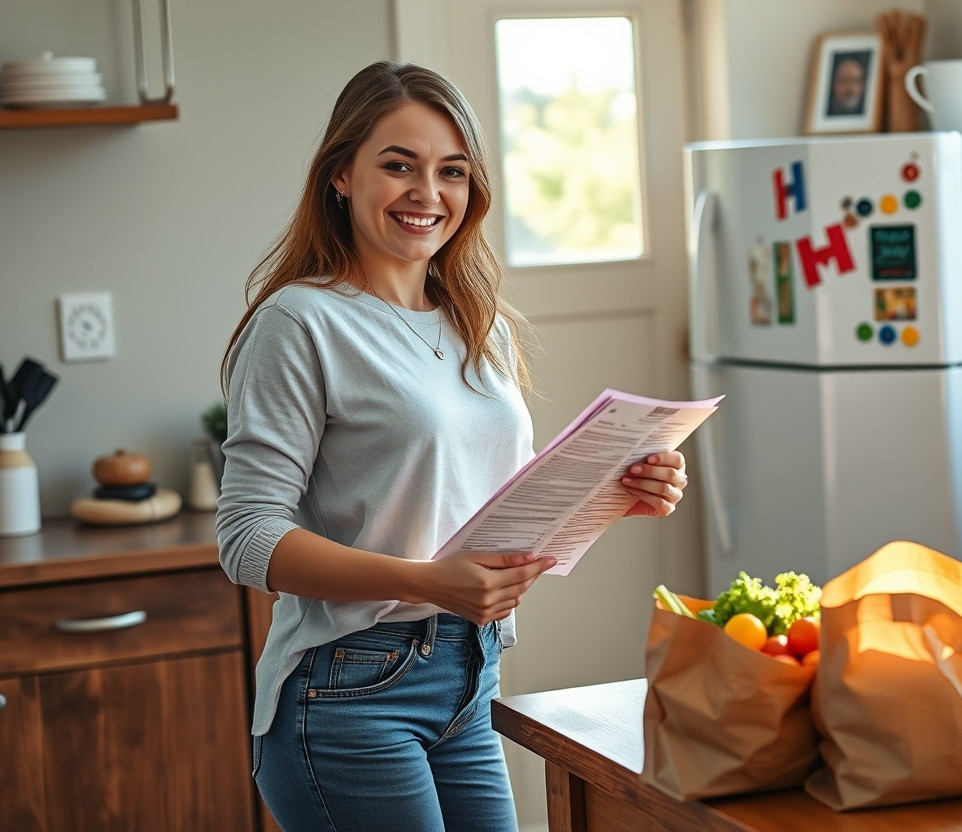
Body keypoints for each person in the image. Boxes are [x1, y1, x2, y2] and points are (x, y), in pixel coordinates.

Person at [216, 61, 689, 831]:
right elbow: (247, 540)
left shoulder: (479, 324)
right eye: (397, 165)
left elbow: (483, 514)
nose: (426, 193)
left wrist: (615, 491)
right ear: (341, 173)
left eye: (452, 172)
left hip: (469, 676)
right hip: (347, 693)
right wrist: (430, 583)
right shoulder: (300, 323)